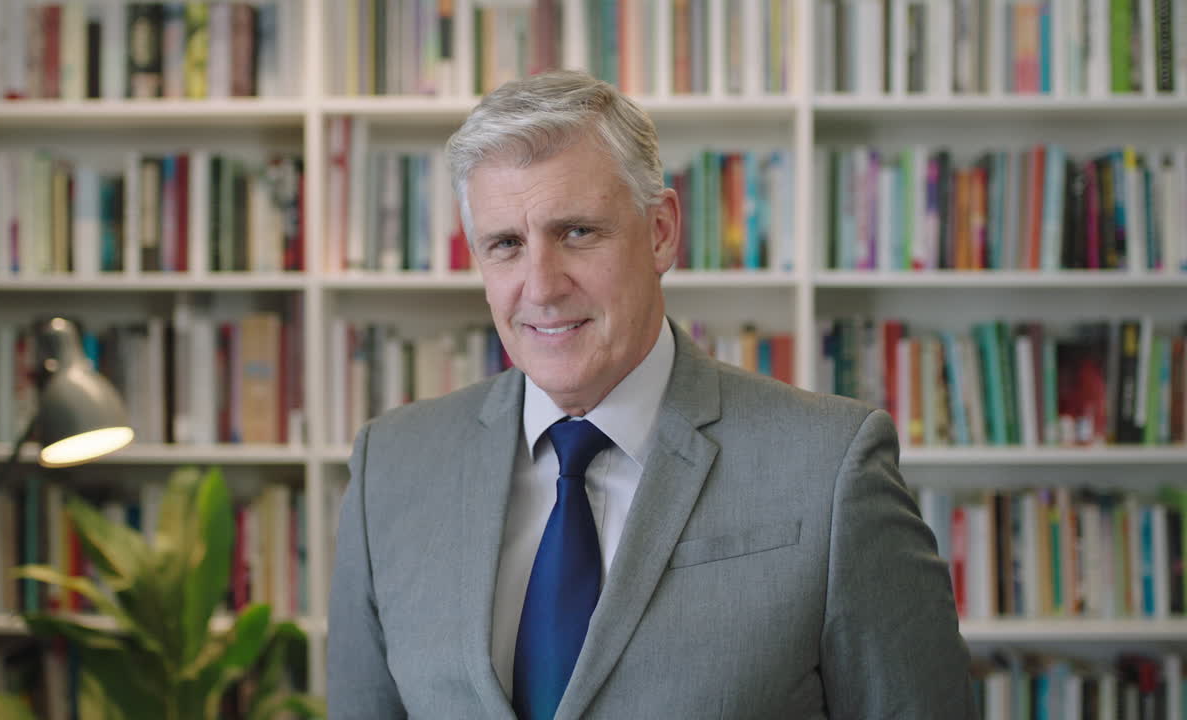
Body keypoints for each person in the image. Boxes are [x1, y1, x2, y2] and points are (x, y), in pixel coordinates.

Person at [327, 69, 973, 719]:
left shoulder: (831, 467)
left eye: (576, 232)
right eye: (506, 245)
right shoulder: (391, 468)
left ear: (661, 230)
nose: (541, 285)